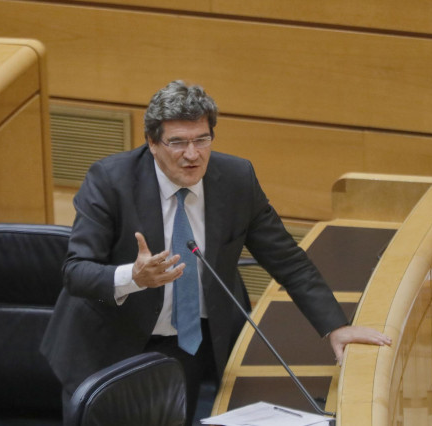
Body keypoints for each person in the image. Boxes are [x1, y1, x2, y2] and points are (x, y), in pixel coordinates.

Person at [41, 80, 391, 425]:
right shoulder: (110, 180)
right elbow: (76, 271)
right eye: (177, 142)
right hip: (109, 346)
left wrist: (335, 326)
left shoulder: (236, 178)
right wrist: (132, 277)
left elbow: (288, 260)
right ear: (152, 142)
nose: (192, 155)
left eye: (201, 140)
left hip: (187, 345)